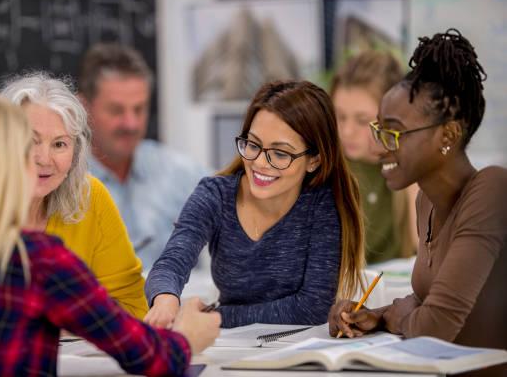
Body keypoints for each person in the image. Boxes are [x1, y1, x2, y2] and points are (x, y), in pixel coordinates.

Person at [0, 89, 220, 376]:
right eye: (24, 146)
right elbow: (149, 356)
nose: (40, 159)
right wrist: (187, 337)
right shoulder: (36, 259)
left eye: (59, 144)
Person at [328, 29, 507, 376]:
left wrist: (401, 317)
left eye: (392, 132)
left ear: (448, 135)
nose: (380, 147)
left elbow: (434, 325)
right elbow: (425, 307)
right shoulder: (425, 201)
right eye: (379, 131)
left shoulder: (491, 190)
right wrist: (375, 316)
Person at [144, 80, 366, 329]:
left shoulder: (322, 205)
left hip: (297, 348)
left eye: (280, 153)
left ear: (314, 160)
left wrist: (218, 317)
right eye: (253, 144)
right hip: (231, 348)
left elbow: (312, 307)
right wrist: (165, 299)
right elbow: (172, 262)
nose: (260, 163)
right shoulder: (215, 195)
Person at [0, 73, 148, 319]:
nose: (44, 159)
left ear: (76, 151)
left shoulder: (90, 198)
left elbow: (132, 305)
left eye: (59, 144)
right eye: (29, 141)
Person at [78, 43, 208, 268]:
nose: (131, 123)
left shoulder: (180, 171)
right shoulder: (61, 182)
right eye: (116, 110)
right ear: (83, 108)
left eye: (139, 109)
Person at [331, 51, 417, 263]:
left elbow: (427, 246)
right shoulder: (329, 170)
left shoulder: (409, 165)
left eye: (362, 120)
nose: (347, 131)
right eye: (340, 117)